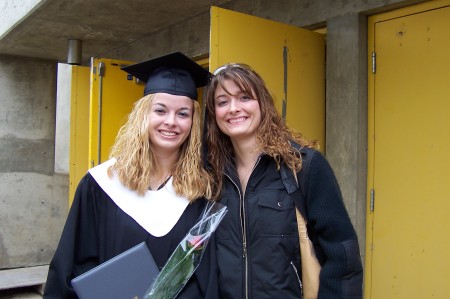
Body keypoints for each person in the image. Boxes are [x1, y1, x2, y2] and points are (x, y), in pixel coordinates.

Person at [44, 52, 218, 298]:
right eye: (160, 110)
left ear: (193, 121)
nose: (171, 122)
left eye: (183, 113)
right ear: (143, 115)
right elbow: (72, 265)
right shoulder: (102, 184)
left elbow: (206, 276)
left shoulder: (201, 190)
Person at [204, 63, 363, 298]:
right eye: (222, 102)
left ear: (263, 104)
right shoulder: (211, 175)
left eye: (245, 97)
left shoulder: (303, 166)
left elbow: (342, 257)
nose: (234, 108)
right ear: (213, 113)